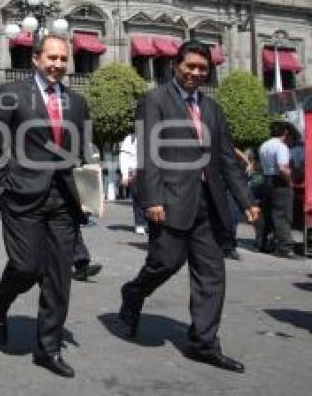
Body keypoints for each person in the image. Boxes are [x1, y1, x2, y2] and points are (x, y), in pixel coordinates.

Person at [119, 40, 259, 374]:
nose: (196, 73)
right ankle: (134, 293)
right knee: (164, 264)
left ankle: (203, 343)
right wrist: (151, 198)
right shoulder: (155, 101)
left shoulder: (212, 109)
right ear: (176, 65)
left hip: (209, 206)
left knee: (212, 275)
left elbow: (226, 159)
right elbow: (148, 151)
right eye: (190, 66)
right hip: (169, 201)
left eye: (202, 68)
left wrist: (247, 201)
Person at [0, 34, 90, 378]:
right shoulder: (12, 94)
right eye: (52, 58)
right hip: (21, 194)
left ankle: (48, 348)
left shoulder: (77, 102)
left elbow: (81, 151)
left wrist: (88, 194)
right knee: (26, 266)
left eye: (63, 59)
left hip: (64, 198)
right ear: (35, 59)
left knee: (59, 276)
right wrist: (1, 186)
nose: (58, 65)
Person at [257, 121, 295, 258]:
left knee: (267, 213)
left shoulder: (264, 146)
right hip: (279, 182)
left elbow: (260, 166)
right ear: (285, 132)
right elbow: (282, 168)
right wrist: (289, 181)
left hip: (267, 179)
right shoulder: (281, 147)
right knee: (282, 214)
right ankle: (284, 247)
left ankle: (263, 242)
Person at [119, 133, 144, 233]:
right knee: (138, 197)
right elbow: (123, 158)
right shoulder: (130, 138)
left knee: (151, 197)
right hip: (134, 172)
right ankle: (140, 223)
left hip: (150, 172)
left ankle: (149, 222)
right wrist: (125, 175)